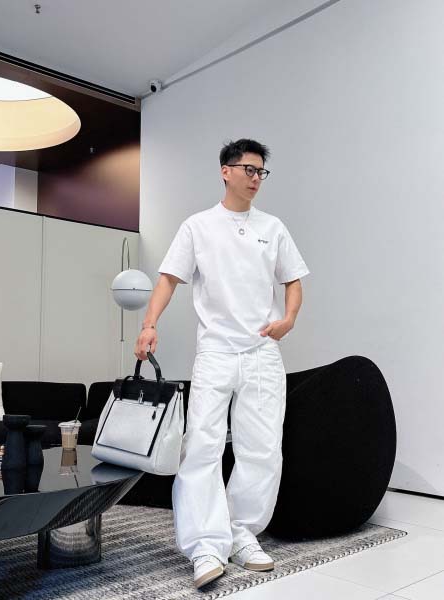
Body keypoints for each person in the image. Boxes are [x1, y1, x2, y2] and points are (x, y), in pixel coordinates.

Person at [134, 138, 310, 589]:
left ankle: (241, 533)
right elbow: (168, 279)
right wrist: (149, 324)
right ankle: (205, 546)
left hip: (262, 352)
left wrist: (288, 320)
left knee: (262, 448)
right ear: (225, 171)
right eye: (248, 169)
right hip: (215, 352)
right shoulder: (198, 226)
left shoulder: (273, 227)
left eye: (261, 172)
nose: (256, 178)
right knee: (202, 446)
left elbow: (293, 280)